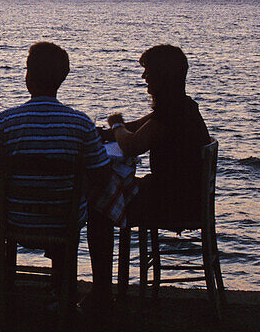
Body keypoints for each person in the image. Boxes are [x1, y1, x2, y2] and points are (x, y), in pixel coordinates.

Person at [0, 42, 110, 315]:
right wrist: (72, 192)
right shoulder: (82, 124)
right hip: (63, 219)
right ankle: (59, 291)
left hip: (13, 217)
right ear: (62, 78)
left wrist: (3, 191)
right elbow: (102, 176)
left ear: (28, 76)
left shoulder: (7, 121)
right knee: (74, 209)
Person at [86, 44, 211, 306]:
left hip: (173, 202)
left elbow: (131, 144)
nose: (144, 78)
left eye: (148, 72)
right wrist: (100, 131)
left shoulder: (172, 112)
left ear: (162, 76)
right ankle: (106, 292)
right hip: (181, 195)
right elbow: (135, 129)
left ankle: (102, 295)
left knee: (99, 208)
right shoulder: (182, 106)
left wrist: (116, 125)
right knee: (107, 198)